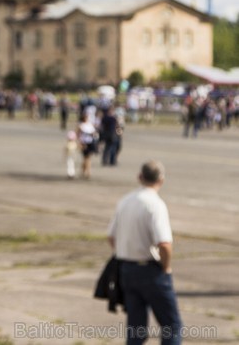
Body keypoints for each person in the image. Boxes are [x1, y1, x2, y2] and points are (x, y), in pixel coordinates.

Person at [107, 161, 182, 344]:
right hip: (150, 270)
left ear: (140, 177)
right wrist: (166, 268)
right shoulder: (155, 204)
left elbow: (111, 236)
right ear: (161, 180)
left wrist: (126, 251)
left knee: (136, 328)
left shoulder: (125, 201)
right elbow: (164, 244)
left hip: (127, 269)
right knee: (171, 326)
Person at [76, 113, 98, 179]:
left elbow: (94, 133)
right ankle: (87, 172)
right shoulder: (81, 125)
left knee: (87, 158)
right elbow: (78, 135)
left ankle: (84, 171)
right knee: (86, 157)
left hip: (90, 142)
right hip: (84, 143)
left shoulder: (90, 125)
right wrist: (79, 143)